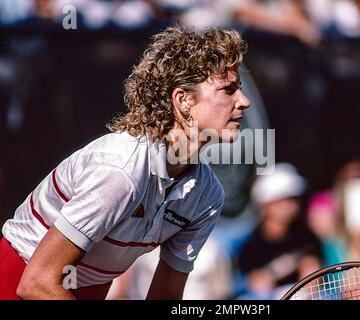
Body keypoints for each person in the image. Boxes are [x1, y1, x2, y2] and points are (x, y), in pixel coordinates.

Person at [0, 26, 250, 300]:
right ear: (183, 100)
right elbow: (36, 283)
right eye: (229, 90)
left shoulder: (207, 196)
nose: (244, 102)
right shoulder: (120, 171)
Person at [236, 163, 322, 299]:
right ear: (264, 206)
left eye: (293, 199)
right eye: (281, 201)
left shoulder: (308, 238)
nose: (290, 206)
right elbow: (257, 284)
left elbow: (312, 278)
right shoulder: (249, 247)